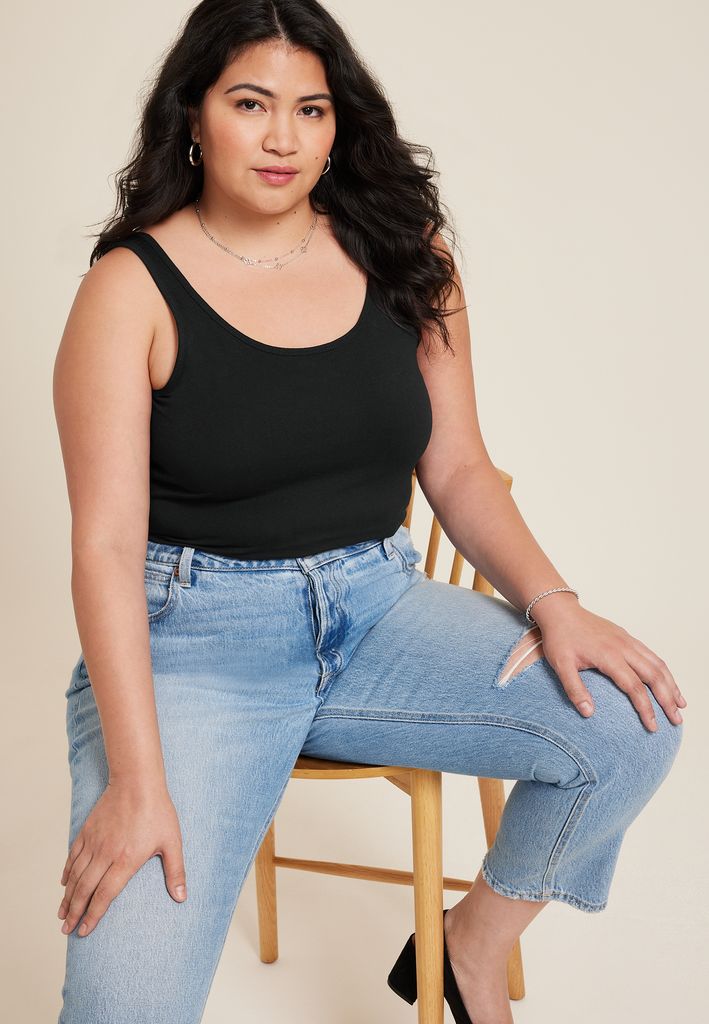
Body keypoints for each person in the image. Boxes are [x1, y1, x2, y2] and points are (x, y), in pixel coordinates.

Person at [52, 2, 686, 1022]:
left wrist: (555, 603)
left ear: (338, 123)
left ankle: (466, 946)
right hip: (195, 645)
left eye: (310, 109)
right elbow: (105, 545)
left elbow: (460, 468)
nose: (282, 138)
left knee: (628, 721)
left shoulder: (402, 252)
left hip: (377, 609)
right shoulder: (130, 289)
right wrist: (137, 780)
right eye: (250, 103)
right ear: (192, 114)